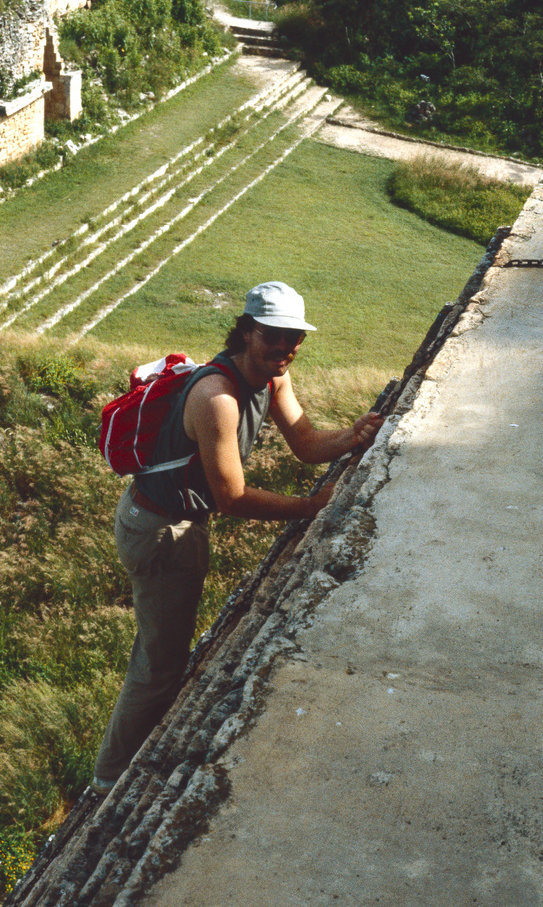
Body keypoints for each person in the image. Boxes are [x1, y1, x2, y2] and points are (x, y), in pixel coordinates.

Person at [92, 281, 383, 794]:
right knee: (159, 665)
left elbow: (308, 443)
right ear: (247, 332)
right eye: (274, 336)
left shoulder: (272, 379)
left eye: (295, 338)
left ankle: (118, 765)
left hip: (174, 523)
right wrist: (312, 508)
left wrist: (353, 436)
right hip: (160, 530)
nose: (287, 348)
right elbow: (232, 496)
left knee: (163, 655)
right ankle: (108, 779)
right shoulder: (218, 399)